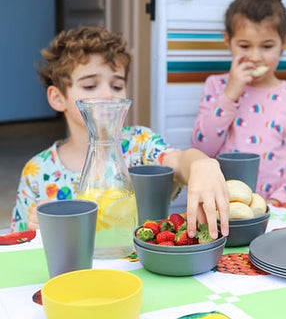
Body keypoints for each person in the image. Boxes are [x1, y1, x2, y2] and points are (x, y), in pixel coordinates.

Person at [10, 26, 230, 239]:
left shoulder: (140, 144)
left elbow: (180, 161)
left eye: (117, 86)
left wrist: (200, 164)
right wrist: (36, 230)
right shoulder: (38, 171)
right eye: (90, 86)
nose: (108, 95)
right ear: (58, 98)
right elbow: (19, 241)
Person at [191, 0, 286, 205]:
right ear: (227, 41)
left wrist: (280, 200)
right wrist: (231, 93)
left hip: (279, 209)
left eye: (267, 46)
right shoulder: (216, 86)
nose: (255, 57)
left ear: (283, 41)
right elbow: (202, 148)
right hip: (225, 207)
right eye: (244, 46)